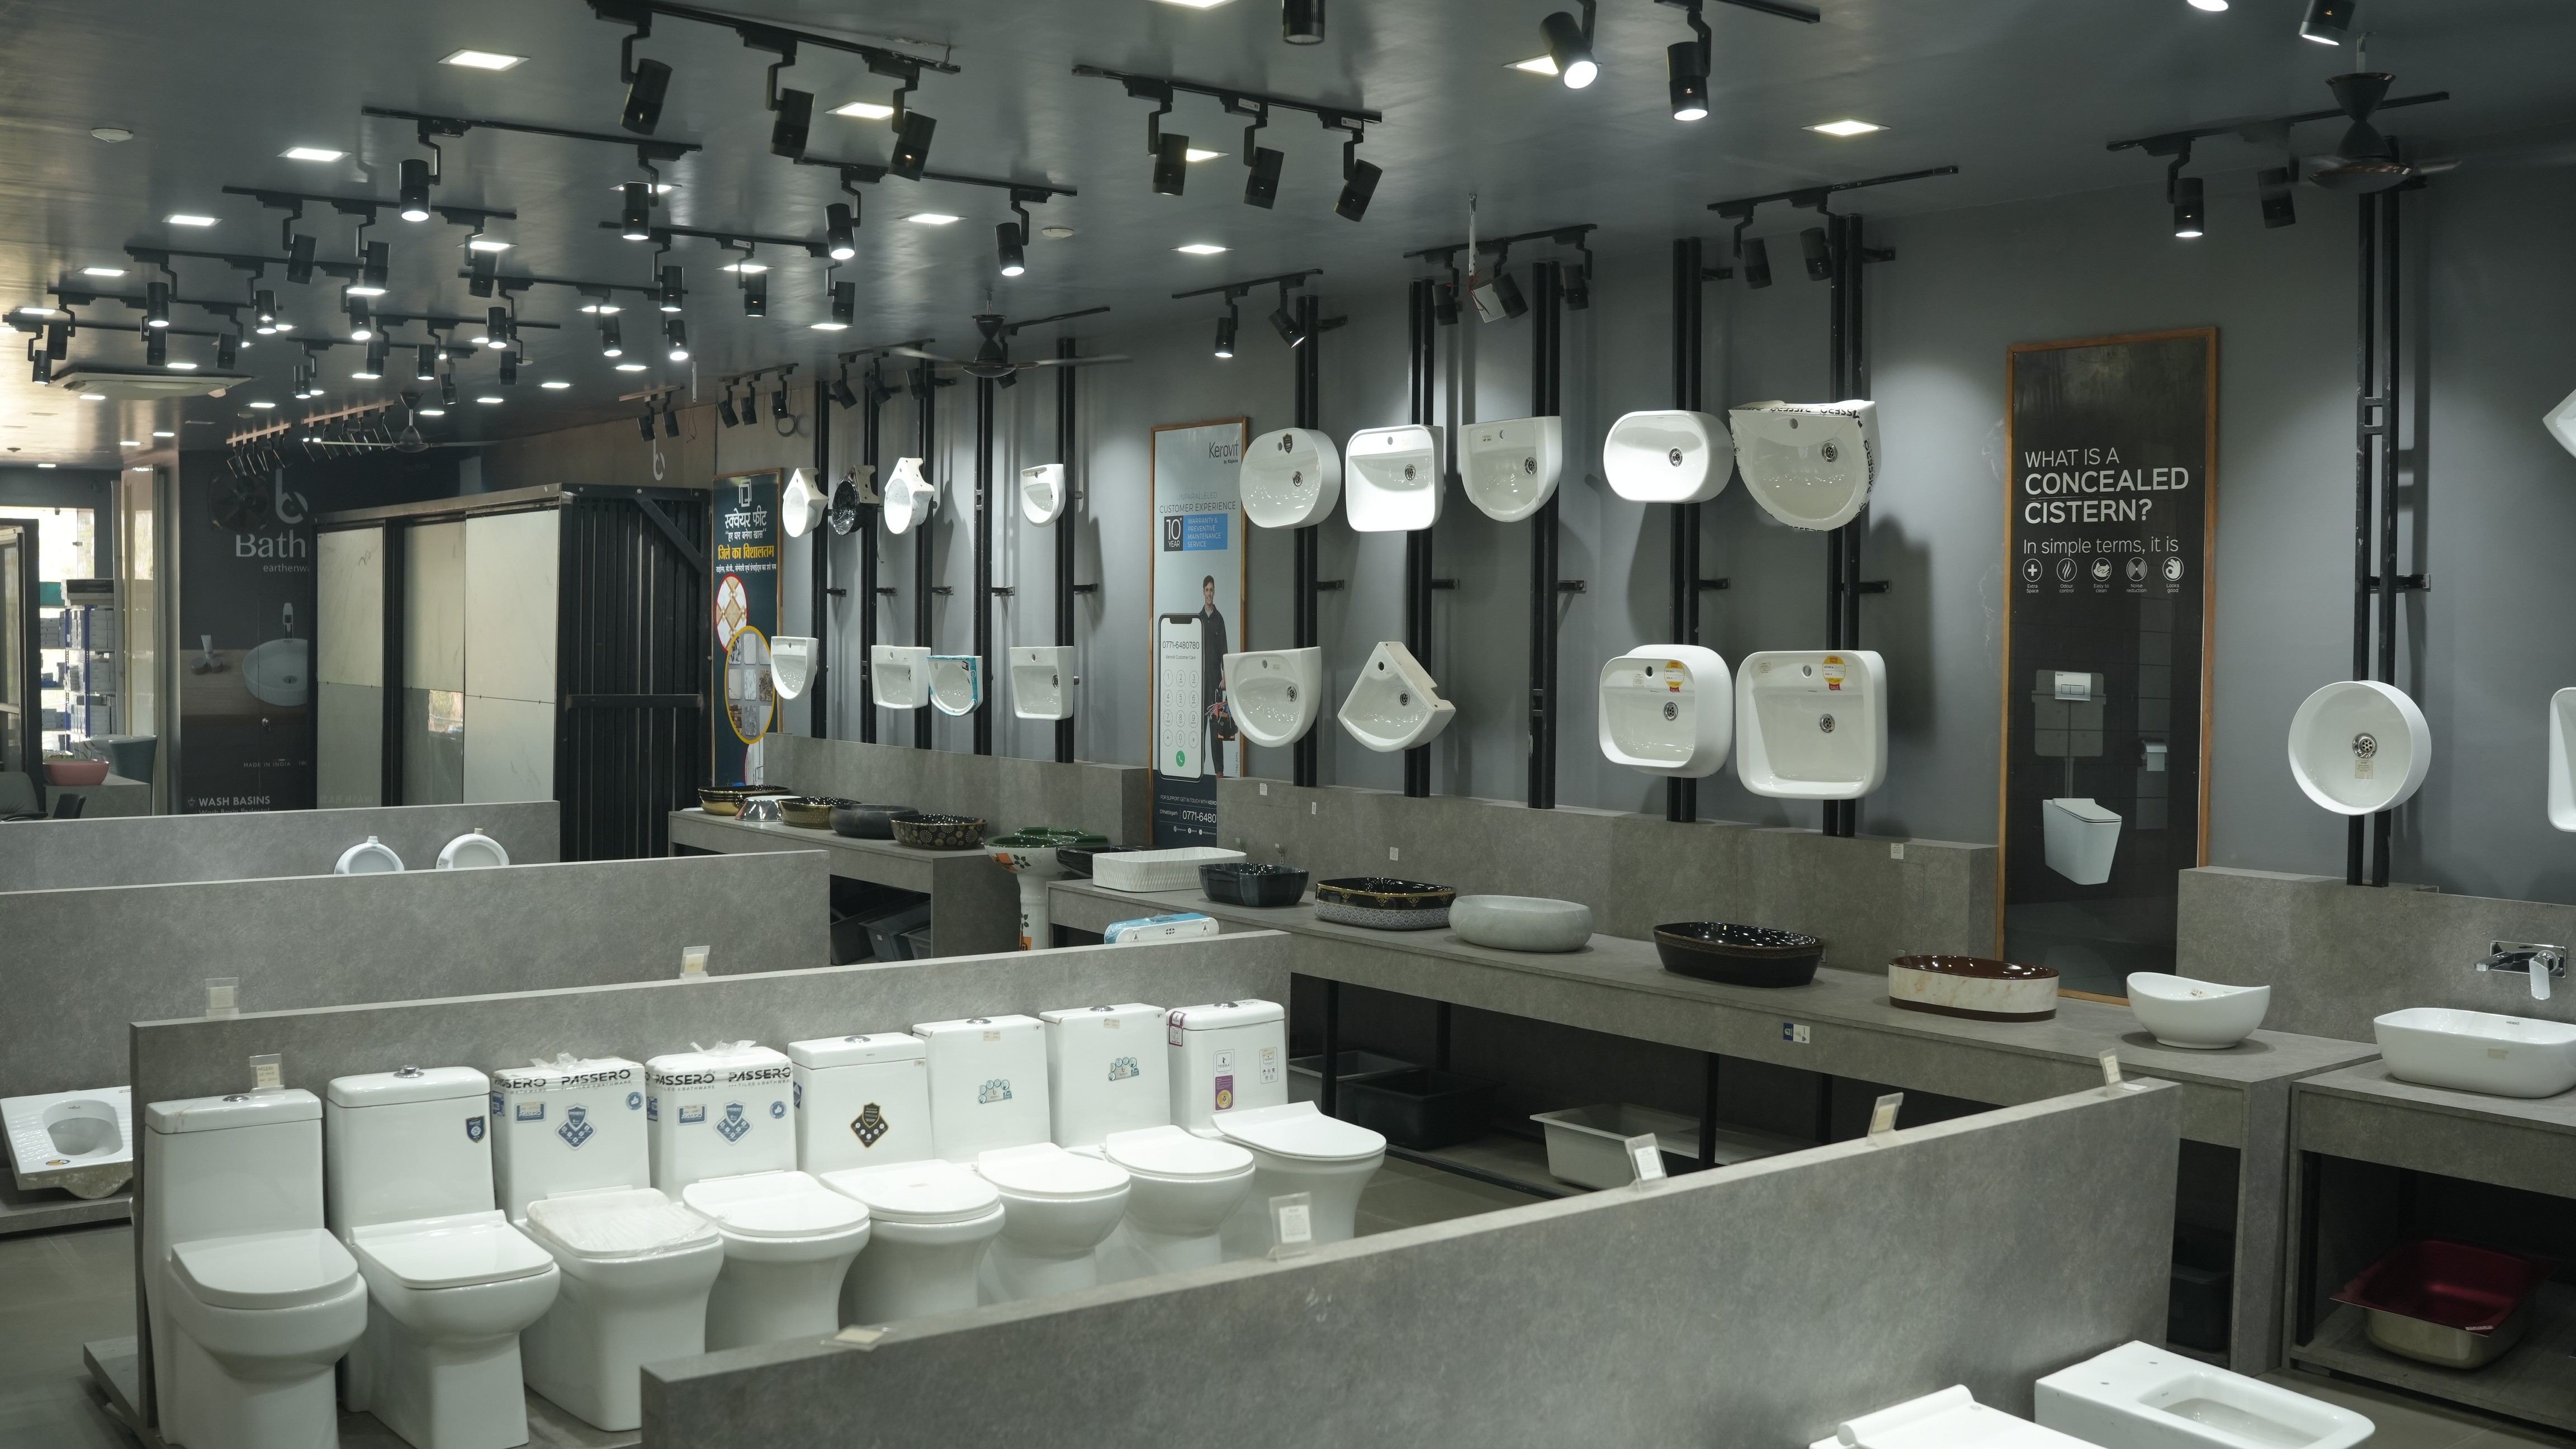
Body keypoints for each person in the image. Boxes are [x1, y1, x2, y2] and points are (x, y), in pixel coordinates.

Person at [1196, 574, 1230, 775]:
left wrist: (1225, 677)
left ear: (1214, 592)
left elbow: (1225, 649)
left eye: (1212, 590)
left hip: (1216, 681)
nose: (1209, 594)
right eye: (1207, 590)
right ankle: (1197, 768)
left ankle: (1219, 772)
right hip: (1200, 682)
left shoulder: (1220, 619)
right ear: (1203, 592)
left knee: (1216, 729)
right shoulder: (1197, 619)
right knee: (1200, 728)